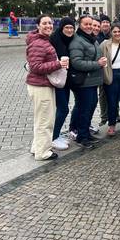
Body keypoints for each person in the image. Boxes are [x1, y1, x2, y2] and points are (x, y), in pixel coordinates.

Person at [26, 14, 69, 161]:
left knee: (41, 119)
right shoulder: (38, 43)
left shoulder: (42, 40)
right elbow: (35, 66)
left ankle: (36, 147)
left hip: (43, 84)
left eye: (50, 23)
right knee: (45, 120)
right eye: (44, 23)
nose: (48, 26)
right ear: (38, 26)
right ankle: (43, 152)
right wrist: (58, 64)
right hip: (40, 85)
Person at [69, 15, 107, 148]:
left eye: (91, 24)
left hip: (92, 81)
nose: (90, 26)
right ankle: (81, 137)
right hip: (84, 82)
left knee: (90, 107)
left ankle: (85, 133)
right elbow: (77, 62)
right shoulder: (77, 41)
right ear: (79, 25)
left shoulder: (91, 39)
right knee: (84, 109)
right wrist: (97, 64)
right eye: (86, 24)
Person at [49, 16, 75, 150]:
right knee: (63, 108)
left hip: (67, 79)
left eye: (71, 27)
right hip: (57, 79)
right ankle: (53, 137)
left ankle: (56, 134)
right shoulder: (54, 39)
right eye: (67, 27)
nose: (69, 30)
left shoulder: (72, 39)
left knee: (63, 108)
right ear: (62, 28)